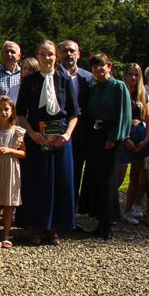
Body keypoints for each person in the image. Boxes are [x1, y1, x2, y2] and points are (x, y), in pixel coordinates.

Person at [15, 40, 80, 246]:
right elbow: (20, 114)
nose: (47, 58)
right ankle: (36, 227)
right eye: (43, 54)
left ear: (56, 56)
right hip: (37, 139)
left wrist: (67, 135)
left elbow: (74, 113)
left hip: (60, 139)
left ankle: (53, 228)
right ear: (38, 56)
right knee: (37, 183)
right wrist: (32, 133)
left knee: (60, 183)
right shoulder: (29, 81)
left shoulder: (65, 80)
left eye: (50, 54)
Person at [78, 53, 131, 240]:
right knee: (96, 179)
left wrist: (114, 137)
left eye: (101, 66)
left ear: (109, 66)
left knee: (109, 181)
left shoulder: (119, 87)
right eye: (94, 67)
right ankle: (99, 219)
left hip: (111, 136)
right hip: (94, 136)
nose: (98, 69)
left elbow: (125, 114)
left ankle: (109, 222)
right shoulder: (93, 88)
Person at [0, 96, 26, 249]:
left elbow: (23, 154)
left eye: (6, 109)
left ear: (12, 111)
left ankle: (7, 234)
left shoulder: (17, 131)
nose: (3, 113)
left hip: (11, 167)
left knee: (9, 202)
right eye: (0, 110)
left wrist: (9, 150)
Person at [57, 40, 93, 208]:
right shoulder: (52, 75)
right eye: (65, 51)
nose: (69, 54)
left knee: (76, 173)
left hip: (81, 135)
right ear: (58, 54)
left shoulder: (88, 78)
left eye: (72, 51)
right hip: (57, 132)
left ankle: (71, 212)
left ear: (78, 54)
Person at [118, 63, 149, 223]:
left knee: (136, 176)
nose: (133, 78)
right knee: (118, 176)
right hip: (124, 135)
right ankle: (110, 208)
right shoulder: (120, 92)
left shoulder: (141, 95)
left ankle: (128, 210)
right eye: (130, 74)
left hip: (140, 134)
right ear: (125, 75)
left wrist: (146, 138)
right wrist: (125, 138)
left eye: (136, 75)